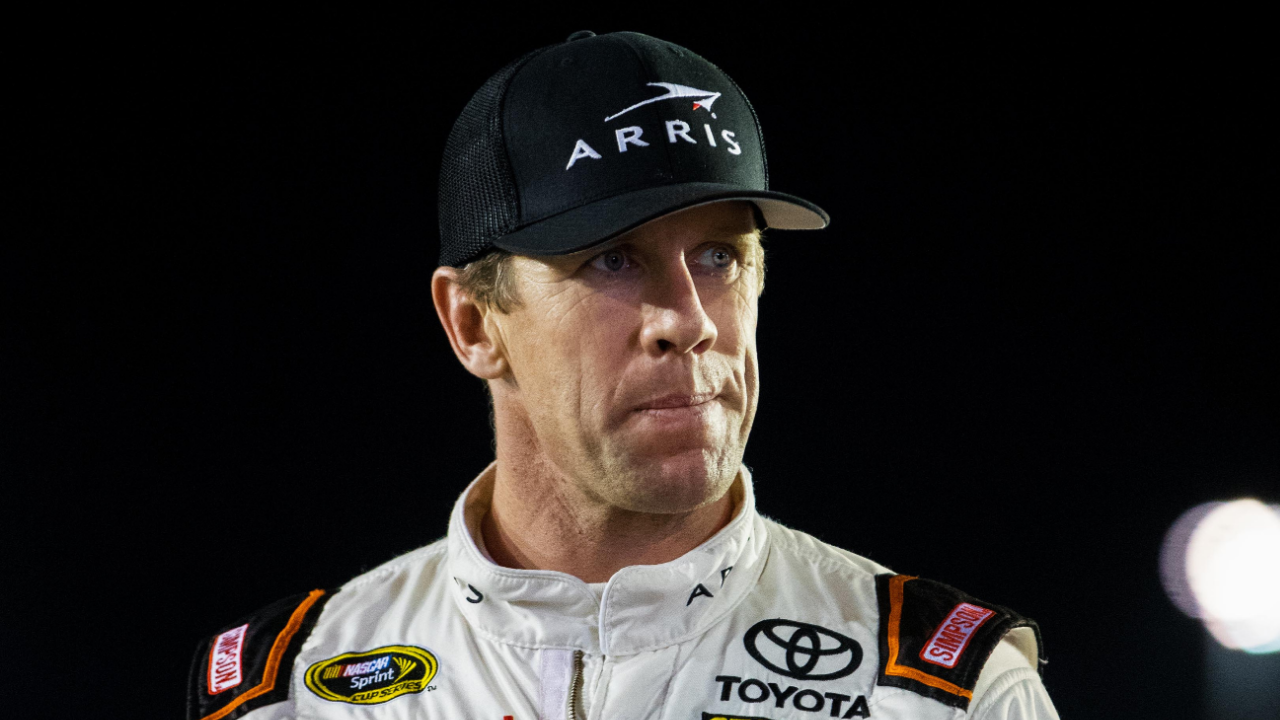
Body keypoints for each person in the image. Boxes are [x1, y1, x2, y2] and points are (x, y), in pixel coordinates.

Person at [188, 30, 1059, 720]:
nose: (688, 317)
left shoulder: (938, 694)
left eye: (721, 255)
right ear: (472, 324)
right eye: (611, 260)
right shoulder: (289, 695)